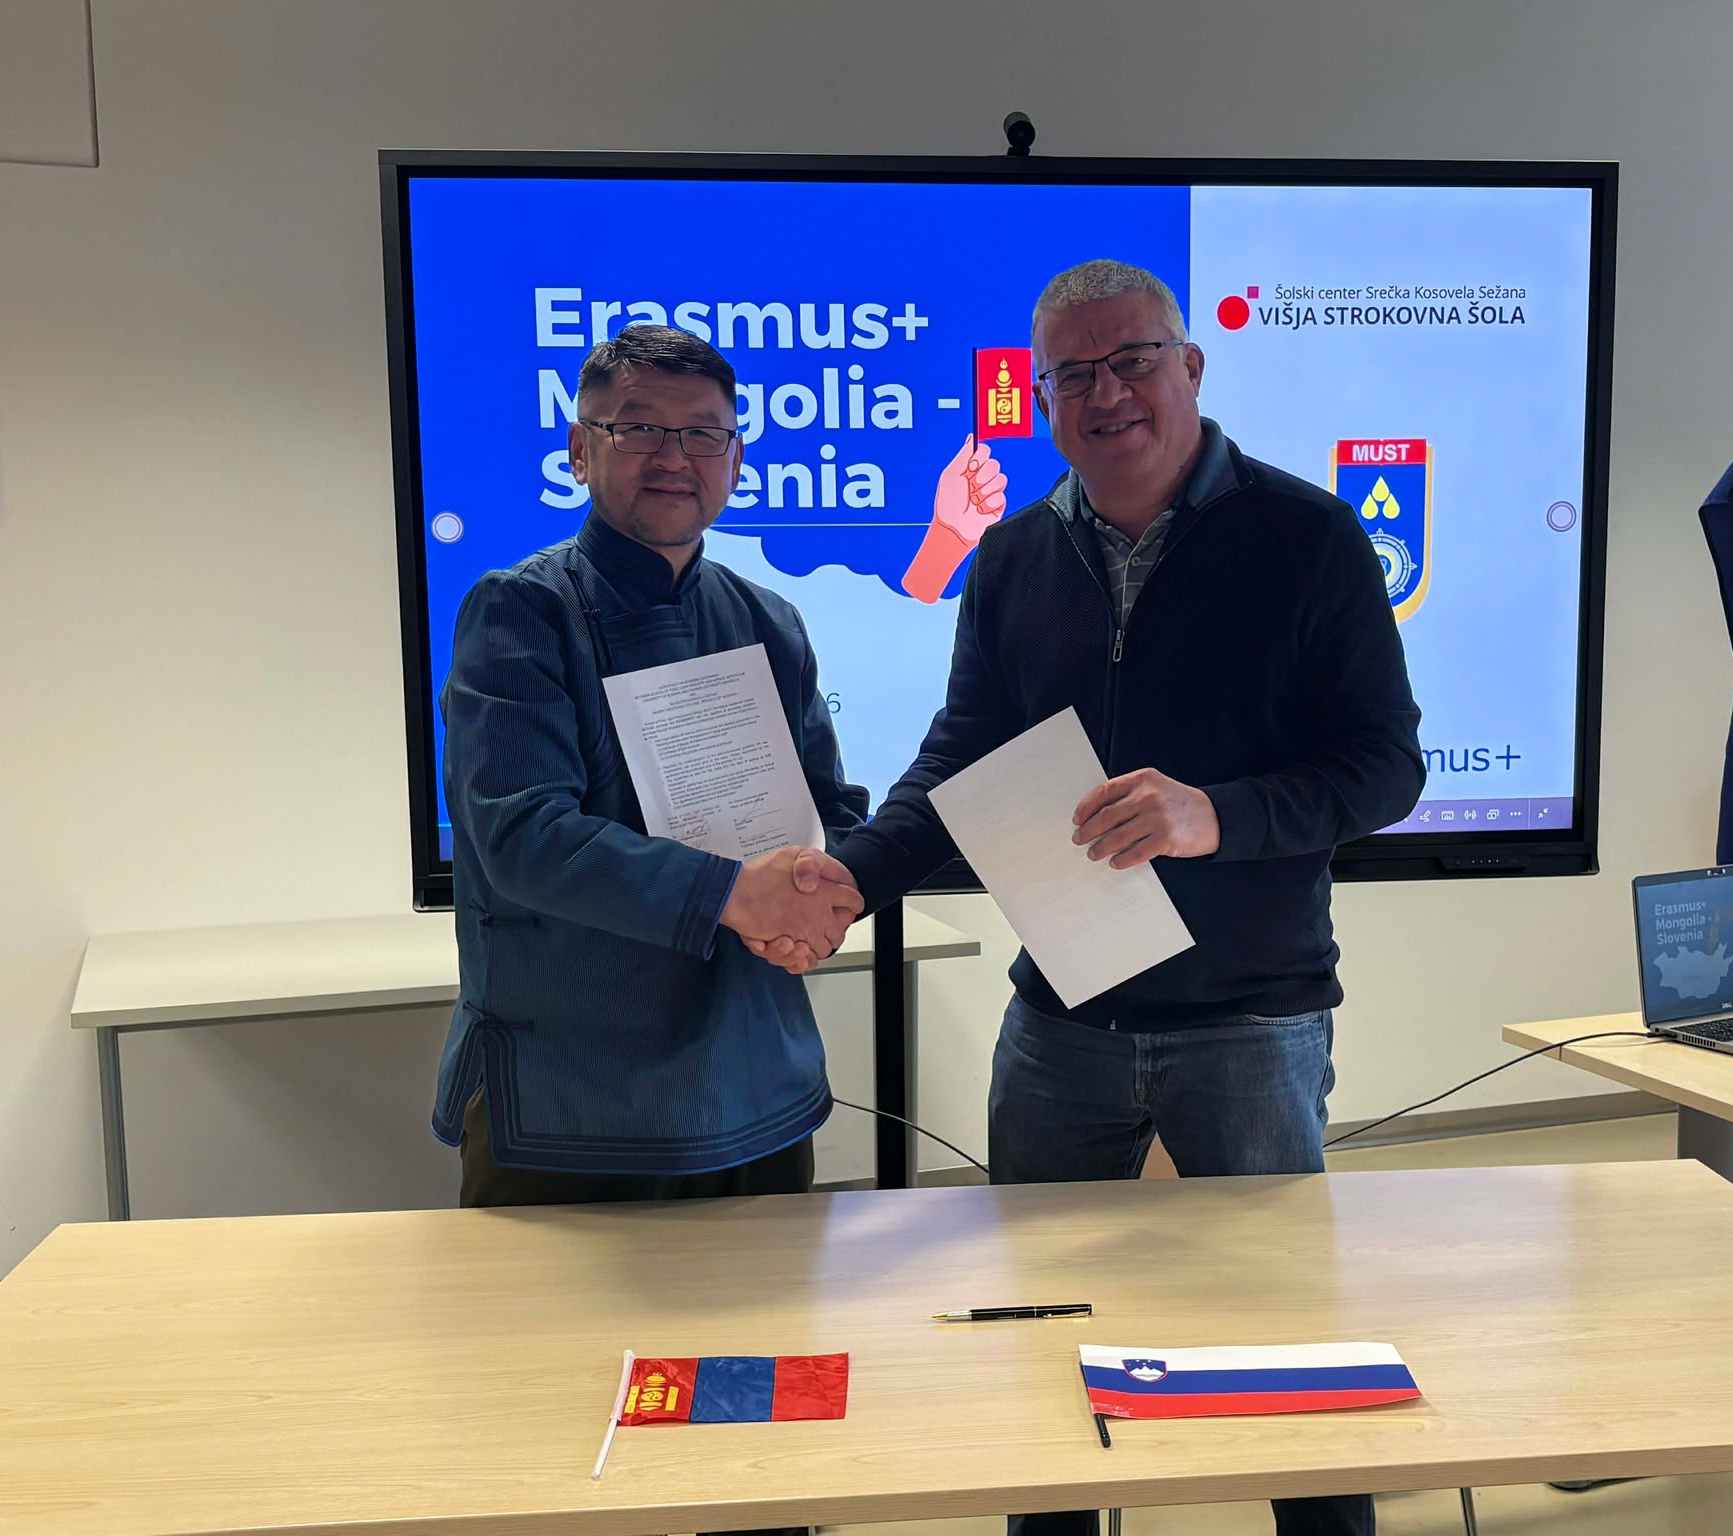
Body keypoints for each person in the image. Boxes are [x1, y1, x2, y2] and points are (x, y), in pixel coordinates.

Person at [757, 260, 1423, 1536]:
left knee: (1286, 1348)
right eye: (1074, 374)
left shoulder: (1308, 538)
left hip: (1250, 1019)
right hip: (1059, 1018)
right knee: (1038, 1344)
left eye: (1131, 361)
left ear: (1190, 367)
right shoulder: (1013, 555)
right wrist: (854, 876)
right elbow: (961, 755)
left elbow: (1384, 767)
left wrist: (1214, 814)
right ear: (1044, 399)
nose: (1106, 393)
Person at [433, 321, 865, 1206]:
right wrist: (738, 894)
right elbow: (524, 837)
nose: (673, 457)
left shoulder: (768, 620)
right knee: (548, 1310)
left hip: (760, 1080)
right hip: (572, 1097)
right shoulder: (521, 611)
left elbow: (830, 810)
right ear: (579, 449)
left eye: (703, 433)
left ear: (736, 459)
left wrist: (823, 895)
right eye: (638, 428)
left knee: (772, 1303)